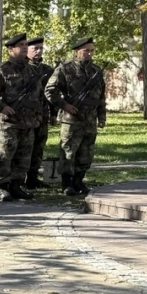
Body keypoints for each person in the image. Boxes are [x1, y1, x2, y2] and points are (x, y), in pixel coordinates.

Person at [0, 33, 47, 202]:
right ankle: (3, 187)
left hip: (28, 122)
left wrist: (39, 116)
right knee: (5, 156)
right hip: (9, 123)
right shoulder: (2, 70)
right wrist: (1, 107)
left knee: (24, 156)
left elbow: (40, 97)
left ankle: (17, 185)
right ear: (11, 49)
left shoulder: (32, 71)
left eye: (26, 45)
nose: (25, 47)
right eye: (21, 45)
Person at [45, 37, 106, 196]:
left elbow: (101, 96)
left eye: (92, 50)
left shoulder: (96, 71)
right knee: (68, 152)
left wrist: (102, 116)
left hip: (90, 119)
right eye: (86, 50)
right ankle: (67, 184)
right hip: (71, 120)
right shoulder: (65, 69)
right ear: (77, 51)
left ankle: (79, 181)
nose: (90, 53)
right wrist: (64, 105)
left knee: (86, 153)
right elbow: (50, 91)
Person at [26, 36, 55, 189]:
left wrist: (54, 113)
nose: (38, 51)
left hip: (42, 113)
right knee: (24, 147)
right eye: (34, 49)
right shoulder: (22, 68)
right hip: (24, 115)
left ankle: (32, 177)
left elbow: (53, 93)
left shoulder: (47, 70)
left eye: (40, 48)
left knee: (39, 146)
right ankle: (16, 179)